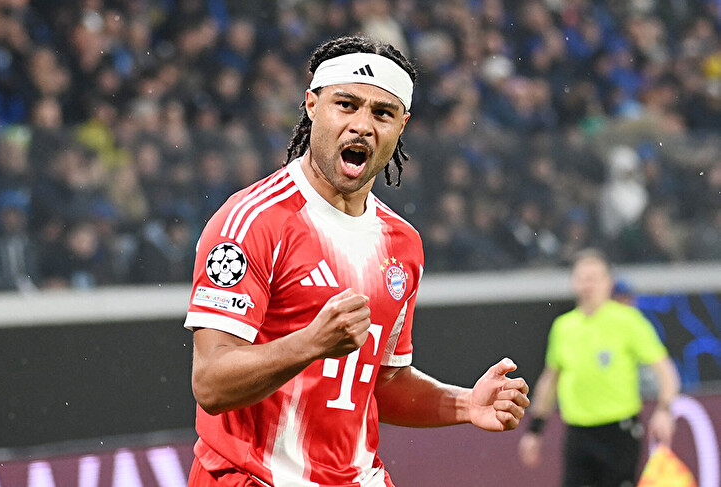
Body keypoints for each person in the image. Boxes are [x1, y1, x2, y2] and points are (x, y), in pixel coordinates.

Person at [183, 35, 530, 487]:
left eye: (382, 113)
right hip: (251, 477)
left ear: (402, 126)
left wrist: (465, 404)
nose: (362, 125)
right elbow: (211, 383)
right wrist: (309, 343)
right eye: (346, 105)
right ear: (312, 105)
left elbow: (381, 382)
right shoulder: (252, 222)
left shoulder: (402, 243)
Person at [518, 248, 680, 487]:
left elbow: (665, 370)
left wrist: (665, 410)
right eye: (582, 278)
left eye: (594, 278)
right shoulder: (564, 327)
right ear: (574, 282)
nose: (588, 285)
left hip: (619, 432)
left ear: (608, 283)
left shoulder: (628, 321)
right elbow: (550, 380)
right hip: (578, 433)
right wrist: (535, 430)